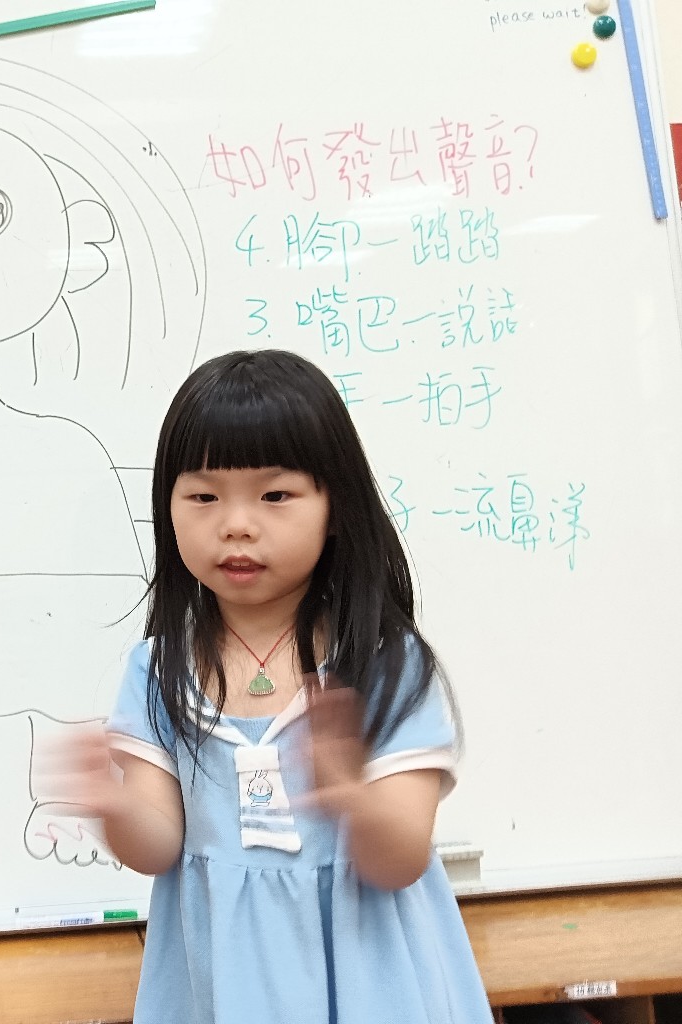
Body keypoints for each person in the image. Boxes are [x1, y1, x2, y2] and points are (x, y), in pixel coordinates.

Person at [54, 349, 494, 1022]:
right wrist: (110, 807)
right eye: (203, 497)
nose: (235, 523)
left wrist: (350, 795)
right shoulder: (158, 670)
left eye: (275, 495)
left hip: (372, 989)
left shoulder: (385, 665)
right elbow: (158, 844)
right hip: (226, 990)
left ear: (335, 508)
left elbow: (401, 859)